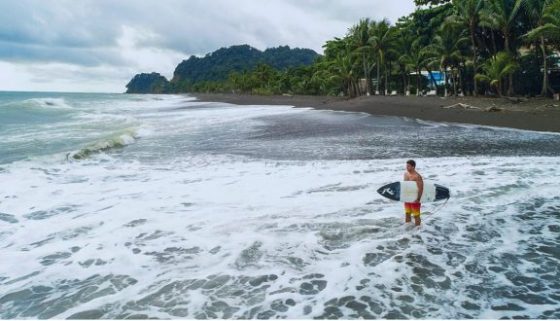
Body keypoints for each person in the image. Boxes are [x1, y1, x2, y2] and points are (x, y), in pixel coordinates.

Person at [404, 159, 423, 226]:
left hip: (415, 198)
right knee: (407, 213)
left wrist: (418, 199)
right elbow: (404, 186)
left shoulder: (417, 176)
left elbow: (421, 189)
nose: (407, 167)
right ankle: (407, 227)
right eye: (406, 166)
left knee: (416, 215)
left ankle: (418, 230)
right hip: (407, 197)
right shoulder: (406, 174)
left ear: (413, 167)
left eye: (408, 166)